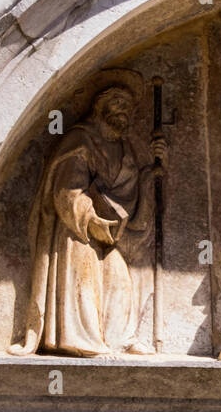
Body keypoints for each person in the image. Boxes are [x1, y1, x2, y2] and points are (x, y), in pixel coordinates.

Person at [9, 86, 166, 357]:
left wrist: (150, 174)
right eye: (118, 104)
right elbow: (67, 190)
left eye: (128, 108)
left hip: (111, 232)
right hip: (77, 230)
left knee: (121, 280)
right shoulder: (80, 140)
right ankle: (79, 338)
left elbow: (129, 196)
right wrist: (90, 219)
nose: (124, 112)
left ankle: (120, 339)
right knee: (83, 277)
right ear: (99, 107)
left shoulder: (126, 148)